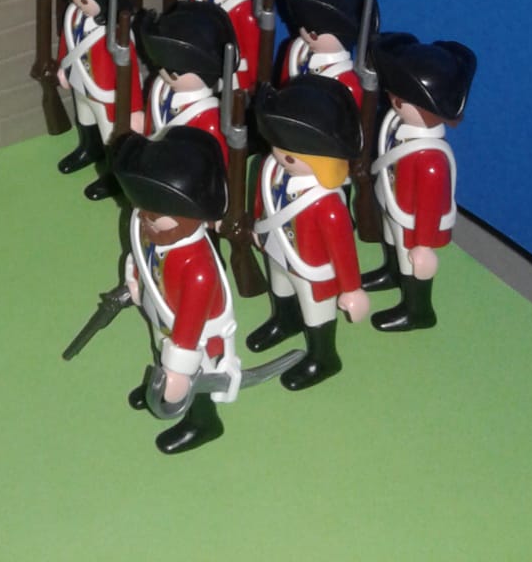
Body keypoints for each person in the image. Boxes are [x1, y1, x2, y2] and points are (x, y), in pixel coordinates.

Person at [112, 127, 237, 454]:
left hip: (196, 338)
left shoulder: (198, 268)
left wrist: (178, 369)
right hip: (162, 313)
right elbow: (143, 256)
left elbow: (189, 327)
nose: (147, 221)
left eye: (157, 217)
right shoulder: (150, 227)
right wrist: (134, 279)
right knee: (160, 348)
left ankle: (204, 421)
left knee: (197, 377)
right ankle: (162, 386)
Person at [249, 78, 369, 388]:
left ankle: (323, 355)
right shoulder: (270, 169)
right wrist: (257, 225)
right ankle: (285, 320)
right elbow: (263, 199)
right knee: (280, 286)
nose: (279, 156)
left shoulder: (328, 205)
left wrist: (352, 289)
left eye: (290, 155)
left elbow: (343, 250)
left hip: (312, 268)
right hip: (277, 249)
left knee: (317, 312)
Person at [365, 32, 477, 332]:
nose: (393, 100)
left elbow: (428, 207)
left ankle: (417, 309)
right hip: (394, 202)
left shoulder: (431, 160)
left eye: (402, 99)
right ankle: (392, 273)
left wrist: (424, 245)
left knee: (412, 259)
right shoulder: (397, 126)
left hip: (413, 221)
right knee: (392, 240)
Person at [51, 0, 144, 200]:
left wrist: (134, 108)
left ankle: (114, 176)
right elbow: (68, 41)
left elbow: (130, 72)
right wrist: (63, 67)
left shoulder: (118, 33)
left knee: (111, 135)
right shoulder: (73, 14)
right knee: (85, 119)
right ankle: (88, 149)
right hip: (81, 83)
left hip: (108, 95)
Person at [131, 0, 233, 165]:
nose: (164, 73)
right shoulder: (159, 90)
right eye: (161, 65)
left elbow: (217, 163)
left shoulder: (209, 119)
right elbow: (150, 126)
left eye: (175, 70)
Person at [276, 0, 374, 107]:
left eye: (313, 34)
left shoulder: (347, 84)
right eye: (301, 25)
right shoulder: (295, 51)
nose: (304, 33)